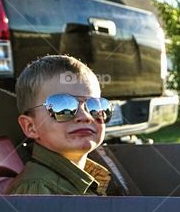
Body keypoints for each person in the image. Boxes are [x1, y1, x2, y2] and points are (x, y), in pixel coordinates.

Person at [7, 55, 124, 196]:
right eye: (62, 107)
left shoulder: (92, 176)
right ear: (31, 127)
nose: (85, 117)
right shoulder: (37, 189)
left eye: (95, 106)